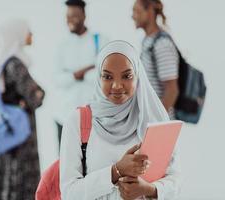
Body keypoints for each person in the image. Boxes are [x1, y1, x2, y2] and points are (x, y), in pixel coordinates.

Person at [60, 40, 181, 199]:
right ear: (98, 77)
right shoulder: (78, 121)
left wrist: (150, 189)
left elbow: (175, 182)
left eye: (127, 76)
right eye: (107, 76)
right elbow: (69, 193)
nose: (117, 85)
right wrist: (116, 171)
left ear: (137, 75)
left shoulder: (154, 119)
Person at [0, 19, 45, 200]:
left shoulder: (4, 62)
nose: (31, 35)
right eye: (28, 31)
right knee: (21, 178)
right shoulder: (16, 64)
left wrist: (29, 98)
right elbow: (36, 97)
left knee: (8, 178)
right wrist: (36, 94)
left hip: (10, 133)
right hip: (21, 137)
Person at [53, 0, 108, 146]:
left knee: (92, 163)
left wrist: (76, 75)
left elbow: (103, 76)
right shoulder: (61, 45)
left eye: (74, 16)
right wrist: (80, 73)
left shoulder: (100, 41)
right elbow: (57, 80)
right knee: (65, 164)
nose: (70, 20)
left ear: (84, 15)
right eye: (68, 16)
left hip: (93, 118)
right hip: (64, 116)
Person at [132, 0, 179, 118]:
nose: (132, 16)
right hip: (148, 120)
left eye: (136, 11)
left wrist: (157, 121)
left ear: (149, 12)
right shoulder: (147, 41)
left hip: (159, 125)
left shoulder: (162, 44)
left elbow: (172, 90)